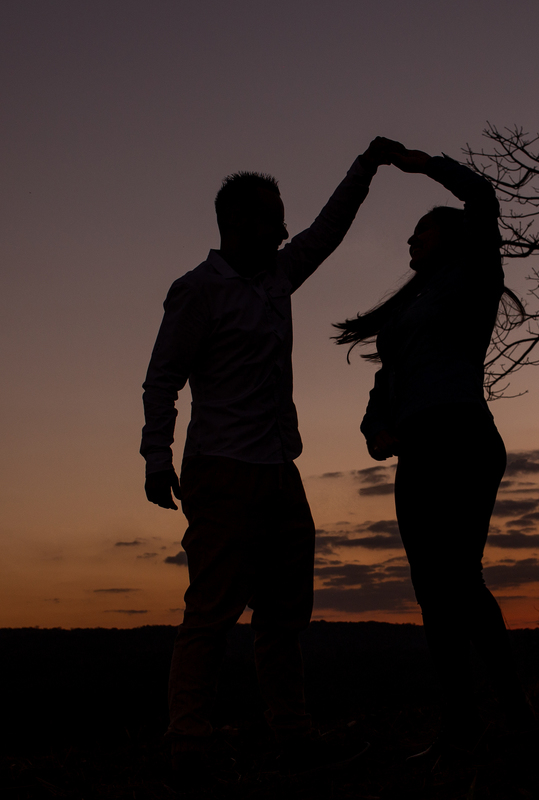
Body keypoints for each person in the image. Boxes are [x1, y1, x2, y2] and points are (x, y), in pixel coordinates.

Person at [141, 137, 402, 775]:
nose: (284, 228)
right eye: (271, 217)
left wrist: (367, 166)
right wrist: (156, 458)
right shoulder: (197, 291)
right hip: (221, 471)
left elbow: (327, 231)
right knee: (210, 610)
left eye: (283, 218)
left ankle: (290, 733)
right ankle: (189, 741)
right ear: (237, 223)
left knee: (284, 615)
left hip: (279, 471)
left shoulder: (278, 277)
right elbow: (162, 378)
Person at [334, 145, 531, 759]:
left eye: (420, 229)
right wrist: (373, 429)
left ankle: (517, 715)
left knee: (457, 578)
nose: (409, 241)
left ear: (450, 234)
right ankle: (462, 725)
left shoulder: (474, 276)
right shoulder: (408, 310)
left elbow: (485, 199)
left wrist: (420, 163)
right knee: (431, 587)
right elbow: (384, 384)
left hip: (463, 439)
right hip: (417, 448)